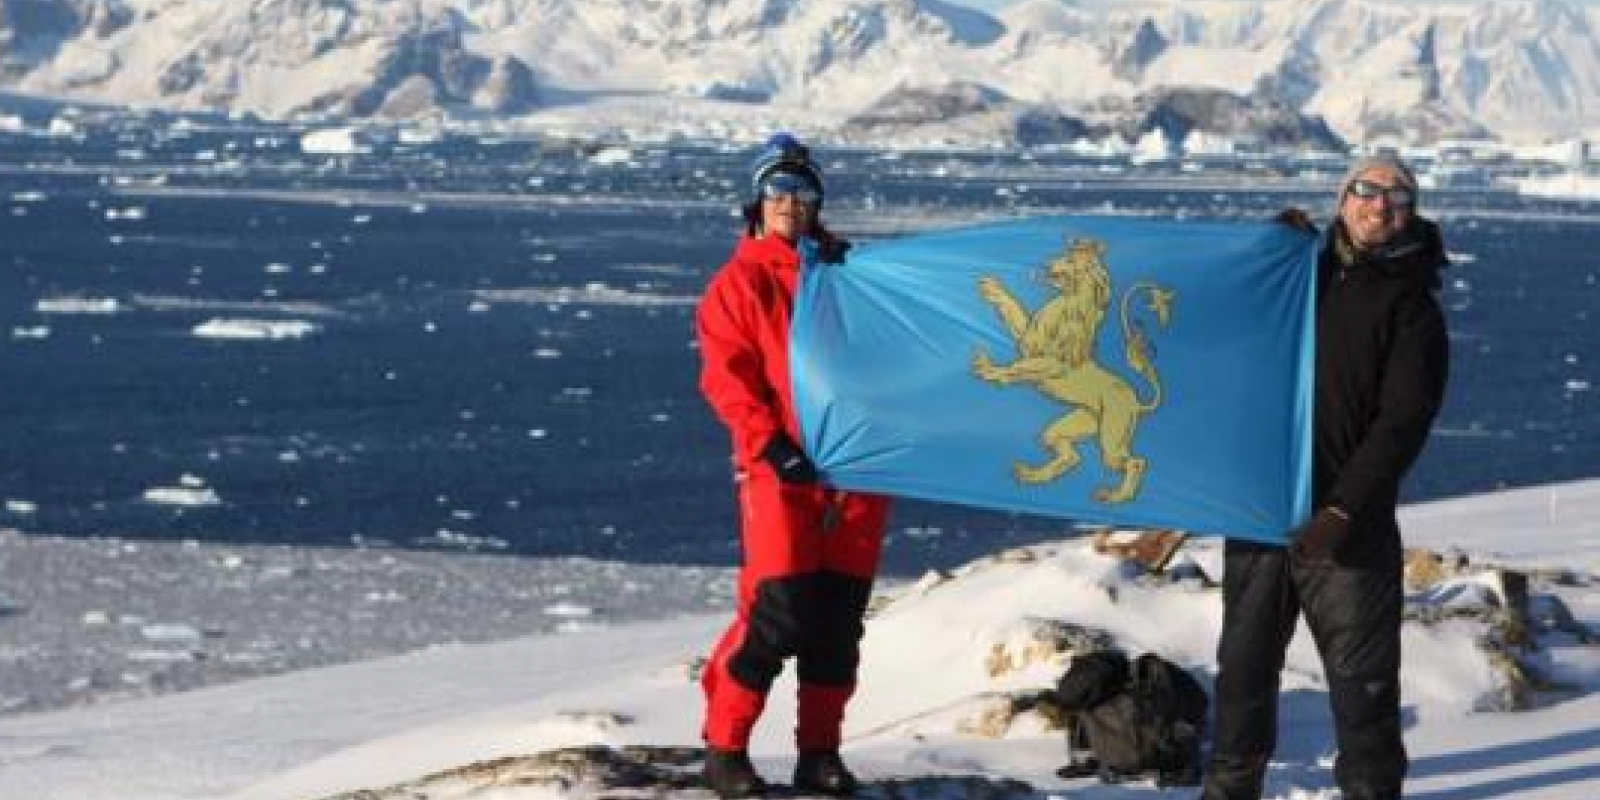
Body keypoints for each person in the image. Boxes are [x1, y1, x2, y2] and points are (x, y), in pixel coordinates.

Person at [1200, 153, 1450, 800]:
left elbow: (1402, 422)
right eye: (1366, 190)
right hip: (1262, 515)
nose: (1379, 205)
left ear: (1410, 214)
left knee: (1363, 694)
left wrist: (1343, 511)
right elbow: (1215, 320)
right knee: (1242, 680)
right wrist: (1268, 251)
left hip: (1347, 531)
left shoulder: (1412, 306)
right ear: (1342, 199)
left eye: (1397, 197)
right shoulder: (1298, 275)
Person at [694, 133, 892, 799]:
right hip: (780, 470)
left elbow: (897, 354)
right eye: (777, 188)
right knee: (776, 612)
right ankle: (725, 748)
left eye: (803, 190)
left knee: (837, 617)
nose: (790, 201)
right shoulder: (738, 285)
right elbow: (728, 381)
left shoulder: (848, 278)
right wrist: (771, 445)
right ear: (757, 201)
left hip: (855, 471)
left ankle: (820, 755)